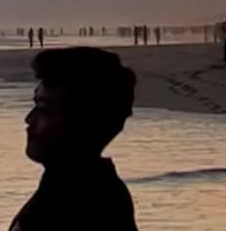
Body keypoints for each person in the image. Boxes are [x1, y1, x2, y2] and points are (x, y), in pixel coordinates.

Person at [10, 47, 138, 231]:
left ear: (84, 122)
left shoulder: (77, 205)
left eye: (45, 109)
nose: (29, 119)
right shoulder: (97, 191)